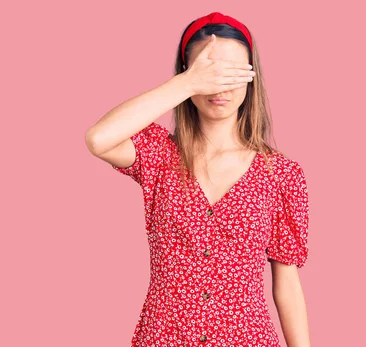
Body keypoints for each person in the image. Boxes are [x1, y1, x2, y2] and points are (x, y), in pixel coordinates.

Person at [85, 12, 311, 347]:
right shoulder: (159, 155)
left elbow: (287, 282)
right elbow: (98, 139)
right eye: (208, 71)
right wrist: (187, 83)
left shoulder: (281, 175)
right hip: (163, 338)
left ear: (252, 77)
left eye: (231, 72)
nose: (218, 85)